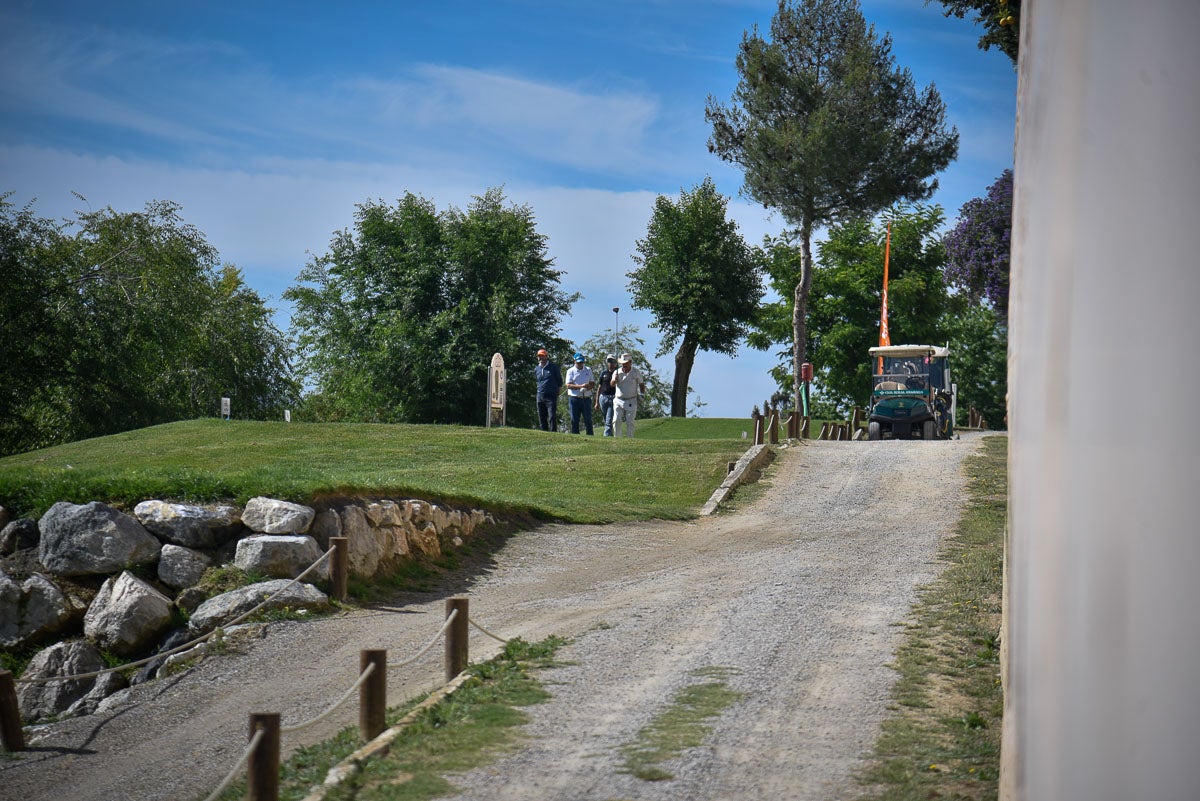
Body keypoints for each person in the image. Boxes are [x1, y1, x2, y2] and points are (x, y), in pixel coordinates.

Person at [610, 353, 645, 438]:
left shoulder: (636, 372)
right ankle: (617, 439)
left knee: (630, 421)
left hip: (631, 400)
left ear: (630, 362)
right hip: (618, 400)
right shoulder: (617, 372)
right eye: (622, 363)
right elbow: (611, 384)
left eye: (626, 363)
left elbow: (641, 384)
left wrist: (642, 394)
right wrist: (615, 380)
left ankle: (630, 439)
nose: (624, 365)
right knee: (616, 420)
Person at [565, 352, 596, 435]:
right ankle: (575, 437)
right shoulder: (570, 371)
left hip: (586, 398)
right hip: (574, 398)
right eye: (578, 362)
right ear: (574, 361)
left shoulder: (588, 370)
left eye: (581, 362)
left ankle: (590, 436)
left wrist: (588, 387)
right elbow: (568, 385)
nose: (580, 364)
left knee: (588, 420)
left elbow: (592, 383)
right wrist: (580, 386)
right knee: (575, 420)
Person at [534, 348, 562, 432]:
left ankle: (553, 433)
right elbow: (537, 380)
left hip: (551, 395)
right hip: (540, 395)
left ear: (546, 356)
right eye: (539, 356)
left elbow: (559, 381)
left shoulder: (553, 367)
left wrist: (558, 391)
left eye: (542, 356)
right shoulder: (536, 369)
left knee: (552, 416)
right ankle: (544, 433)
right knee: (542, 417)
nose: (540, 358)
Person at [594, 354, 618, 437]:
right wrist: (596, 402)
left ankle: (606, 436)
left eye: (612, 361)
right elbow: (599, 387)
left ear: (615, 363)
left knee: (609, 419)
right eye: (609, 361)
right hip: (603, 398)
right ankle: (610, 436)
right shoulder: (603, 373)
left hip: (613, 398)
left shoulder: (617, 373)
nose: (610, 363)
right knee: (606, 419)